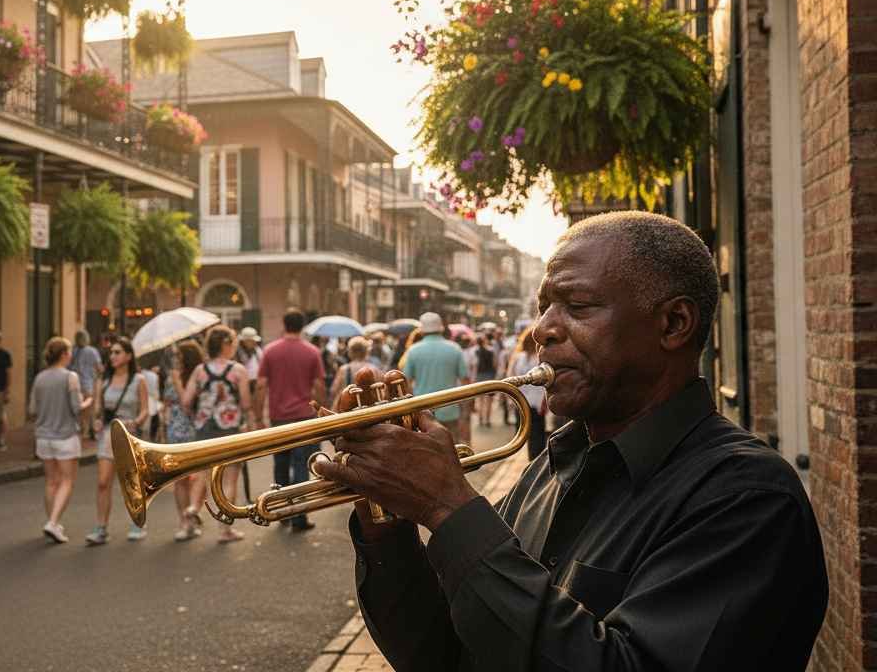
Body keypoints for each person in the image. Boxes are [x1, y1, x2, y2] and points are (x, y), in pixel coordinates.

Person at [316, 211, 828, 670]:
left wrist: (449, 509)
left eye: (577, 306)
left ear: (673, 324)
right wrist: (387, 525)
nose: (542, 330)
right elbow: (442, 654)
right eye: (543, 308)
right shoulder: (551, 466)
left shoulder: (746, 497)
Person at [182, 326, 255, 542]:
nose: (234, 347)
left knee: (204, 476)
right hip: (229, 430)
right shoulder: (238, 370)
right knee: (229, 479)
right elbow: (245, 403)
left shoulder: (199, 370)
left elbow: (186, 401)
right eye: (232, 343)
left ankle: (193, 509)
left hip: (204, 427)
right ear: (225, 344)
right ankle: (225, 529)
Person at [256, 309, 325, 533]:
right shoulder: (312, 351)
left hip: (279, 417)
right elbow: (319, 386)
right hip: (304, 417)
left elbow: (260, 385)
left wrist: (258, 416)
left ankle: (281, 513)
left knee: (281, 465)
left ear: (284, 325)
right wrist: (321, 410)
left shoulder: (270, 351)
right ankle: (299, 518)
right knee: (301, 465)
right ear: (302, 326)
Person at [87, 336, 150, 545]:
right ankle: (101, 528)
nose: (112, 356)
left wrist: (136, 421)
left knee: (132, 484)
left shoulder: (138, 381)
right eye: (111, 353)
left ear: (128, 356)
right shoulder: (103, 381)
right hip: (107, 435)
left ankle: (137, 524)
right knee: (103, 482)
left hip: (129, 436)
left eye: (117, 352)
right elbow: (97, 409)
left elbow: (145, 411)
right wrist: (95, 421)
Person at [29, 337, 91, 544]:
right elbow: (77, 407)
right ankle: (53, 523)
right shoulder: (70, 377)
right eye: (69, 351)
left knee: (51, 481)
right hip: (65, 436)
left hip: (43, 437)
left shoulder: (39, 378)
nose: (71, 354)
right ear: (64, 354)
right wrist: (89, 400)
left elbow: (32, 409)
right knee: (67, 480)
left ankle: (52, 521)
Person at [400, 312, 469, 443]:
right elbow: (465, 380)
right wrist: (465, 411)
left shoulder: (413, 351)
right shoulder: (455, 349)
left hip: (423, 412)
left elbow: (406, 383)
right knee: (452, 450)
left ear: (422, 330)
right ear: (441, 328)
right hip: (450, 409)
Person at [164, 339, 206, 541]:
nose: (176, 361)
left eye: (179, 357)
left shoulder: (198, 376)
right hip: (175, 432)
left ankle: (193, 515)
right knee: (179, 480)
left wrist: (178, 382)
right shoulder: (172, 376)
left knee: (197, 478)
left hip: (194, 431)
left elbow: (186, 404)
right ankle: (183, 522)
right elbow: (167, 403)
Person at [506, 327, 547, 460]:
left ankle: (532, 460)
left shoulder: (519, 358)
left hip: (522, 401)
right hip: (534, 401)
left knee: (527, 434)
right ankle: (534, 460)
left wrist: (510, 401)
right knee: (536, 435)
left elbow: (511, 377)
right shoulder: (539, 359)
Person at [329, 336, 376, 407]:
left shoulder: (344, 369)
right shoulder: (374, 369)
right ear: (366, 351)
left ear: (350, 352)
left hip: (349, 410)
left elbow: (333, 390)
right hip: (370, 409)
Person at [472, 334, 499, 427]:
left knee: (480, 400)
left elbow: (474, 366)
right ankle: (487, 420)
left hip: (479, 376)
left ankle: (480, 419)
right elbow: (495, 364)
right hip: (489, 376)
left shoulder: (475, 351)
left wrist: (474, 378)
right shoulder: (491, 350)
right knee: (489, 400)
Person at [70, 329, 103, 400]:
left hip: (73, 385)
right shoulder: (93, 351)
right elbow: (100, 368)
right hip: (88, 385)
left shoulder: (72, 351)